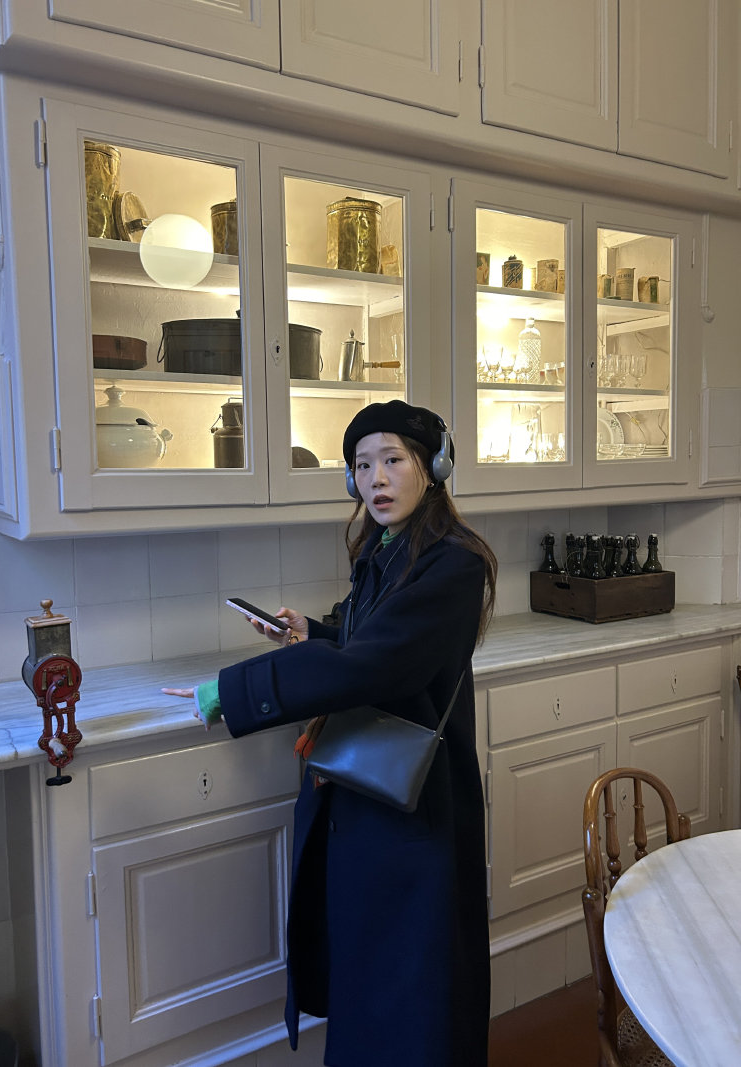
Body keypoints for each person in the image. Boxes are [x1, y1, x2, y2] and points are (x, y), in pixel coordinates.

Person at [164, 400, 497, 1067]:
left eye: (393, 459)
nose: (376, 478)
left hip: (414, 811)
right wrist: (314, 633)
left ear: (433, 467)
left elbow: (376, 664)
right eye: (362, 465)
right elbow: (366, 637)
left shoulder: (454, 565)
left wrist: (231, 692)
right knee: (367, 981)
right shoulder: (384, 548)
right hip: (368, 801)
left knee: (412, 995)